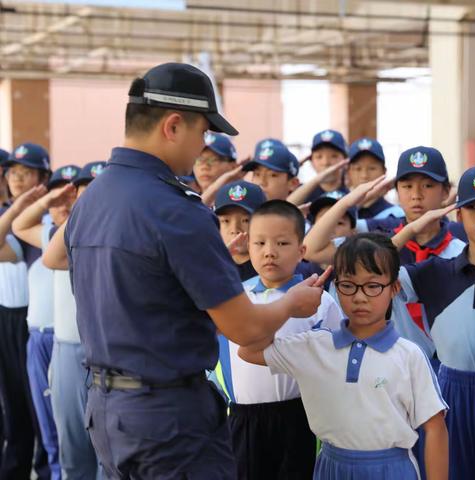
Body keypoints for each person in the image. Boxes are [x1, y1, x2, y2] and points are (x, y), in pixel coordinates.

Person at [64, 62, 325, 479]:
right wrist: (292, 304)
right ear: (172, 125)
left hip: (107, 411)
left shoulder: (92, 200)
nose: (202, 147)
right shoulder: (174, 210)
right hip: (169, 423)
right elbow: (246, 330)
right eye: (202, 133)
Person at [239, 233, 449, 480]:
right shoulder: (314, 346)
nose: (359, 297)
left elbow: (434, 428)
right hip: (331, 467)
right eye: (348, 285)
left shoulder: (409, 355)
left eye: (372, 286)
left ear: (394, 288)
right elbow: (248, 350)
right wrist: (288, 306)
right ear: (335, 288)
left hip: (391, 469)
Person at [218, 200, 342, 479]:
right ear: (247, 247)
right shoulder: (233, 298)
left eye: (282, 244)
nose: (269, 252)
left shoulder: (318, 301)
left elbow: (332, 362)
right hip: (241, 419)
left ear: (301, 251)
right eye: (260, 243)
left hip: (299, 417)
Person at [304, 148, 465, 360]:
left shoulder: (460, 251)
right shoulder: (380, 239)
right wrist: (346, 202)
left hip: (449, 366)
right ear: (396, 191)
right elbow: (311, 249)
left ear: (446, 192)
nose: (416, 195)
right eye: (407, 186)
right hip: (388, 363)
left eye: (428, 185)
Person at [392, 165, 475, 480]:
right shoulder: (436, 272)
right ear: (458, 215)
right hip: (452, 393)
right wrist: (411, 229)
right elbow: (370, 269)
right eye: (472, 207)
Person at [12, 165, 79, 480]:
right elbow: (18, 223)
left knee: (75, 432)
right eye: (57, 199)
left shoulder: (82, 234)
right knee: (49, 427)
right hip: (38, 339)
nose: (63, 206)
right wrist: (45, 200)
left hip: (70, 344)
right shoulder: (48, 235)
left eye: (71, 197)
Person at [43, 162, 105, 480]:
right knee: (73, 451)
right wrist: (79, 216)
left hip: (108, 354)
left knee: (108, 456)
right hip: (68, 352)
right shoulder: (65, 234)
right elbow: (50, 259)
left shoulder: (121, 235)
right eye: (82, 193)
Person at [0, 142, 52, 480]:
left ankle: (47, 470)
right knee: (14, 406)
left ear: (42, 177)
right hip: (6, 317)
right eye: (14, 173)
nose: (19, 179)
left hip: (35, 322)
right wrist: (17, 206)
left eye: (26, 172)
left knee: (40, 407)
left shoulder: (46, 219)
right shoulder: (8, 215)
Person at [287, 129, 349, 205]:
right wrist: (296, 166)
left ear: (345, 161)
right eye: (319, 157)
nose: (326, 162)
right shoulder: (302, 194)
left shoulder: (352, 194)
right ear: (311, 161)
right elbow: (284, 208)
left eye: (334, 156)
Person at [347, 137, 404, 219]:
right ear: (349, 173)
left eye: (372, 168)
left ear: (384, 171)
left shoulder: (396, 214)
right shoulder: (336, 212)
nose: (364, 176)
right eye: (358, 169)